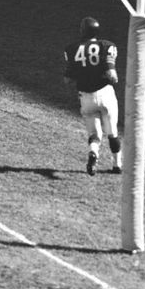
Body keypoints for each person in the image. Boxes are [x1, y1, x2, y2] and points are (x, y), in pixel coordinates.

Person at [63, 16, 122, 176]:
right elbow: (112, 75)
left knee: (94, 135)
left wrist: (83, 73)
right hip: (105, 94)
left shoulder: (72, 48)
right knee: (112, 132)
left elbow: (68, 79)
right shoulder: (107, 46)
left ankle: (94, 153)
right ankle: (117, 164)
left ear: (82, 30)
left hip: (86, 97)